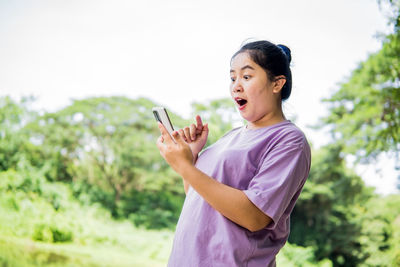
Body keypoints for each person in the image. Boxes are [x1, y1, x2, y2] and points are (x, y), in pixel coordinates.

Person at [156, 40, 311, 267]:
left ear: (277, 83)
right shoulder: (231, 137)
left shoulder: (289, 140)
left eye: (246, 77)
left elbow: (255, 216)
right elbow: (197, 196)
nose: (236, 86)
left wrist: (185, 167)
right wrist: (191, 156)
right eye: (233, 78)